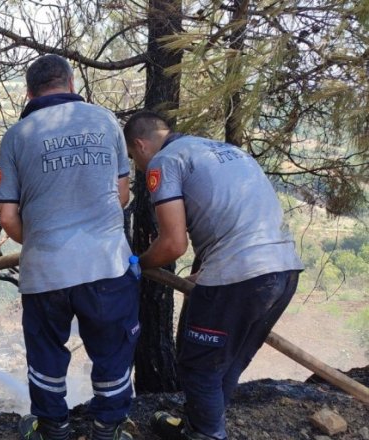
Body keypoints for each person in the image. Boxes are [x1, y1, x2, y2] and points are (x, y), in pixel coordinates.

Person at [123, 110, 304, 440]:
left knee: (199, 364)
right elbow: (240, 218)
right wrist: (209, 273)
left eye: (134, 157)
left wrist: (138, 262)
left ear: (140, 144)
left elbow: (173, 244)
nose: (138, 165)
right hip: (284, 270)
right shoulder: (228, 151)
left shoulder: (165, 161)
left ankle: (207, 433)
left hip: (240, 275)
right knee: (228, 361)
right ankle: (199, 426)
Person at [0, 54, 140, 440]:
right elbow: (121, 193)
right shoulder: (105, 119)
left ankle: (53, 429)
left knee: (46, 353)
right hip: (107, 265)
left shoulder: (15, 136)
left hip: (46, 271)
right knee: (111, 349)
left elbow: (7, 218)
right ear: (72, 84)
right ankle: (108, 428)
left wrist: (41, 236)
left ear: (29, 92)